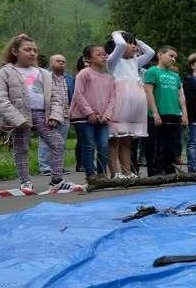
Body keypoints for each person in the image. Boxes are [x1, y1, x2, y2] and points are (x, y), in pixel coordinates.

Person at [0, 34, 78, 191]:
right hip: (21, 116)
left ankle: (57, 180)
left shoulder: (43, 73)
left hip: (42, 115)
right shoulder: (6, 72)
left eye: (35, 50)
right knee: (21, 147)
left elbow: (56, 97)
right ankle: (25, 182)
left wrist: (55, 115)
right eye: (27, 49)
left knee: (57, 142)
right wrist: (17, 118)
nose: (32, 53)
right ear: (15, 51)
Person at [106, 31, 155, 178]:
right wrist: (116, 33)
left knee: (127, 141)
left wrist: (136, 41)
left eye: (135, 44)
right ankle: (115, 173)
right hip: (119, 104)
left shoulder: (134, 61)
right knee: (114, 140)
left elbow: (150, 52)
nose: (134, 47)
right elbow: (120, 44)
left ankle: (127, 172)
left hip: (135, 106)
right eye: (130, 43)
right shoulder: (112, 61)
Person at [69, 45, 116, 179]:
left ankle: (102, 174)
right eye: (98, 54)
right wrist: (89, 113)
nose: (103, 56)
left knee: (103, 145)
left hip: (102, 118)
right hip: (84, 117)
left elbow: (112, 98)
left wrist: (107, 115)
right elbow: (78, 94)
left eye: (105, 54)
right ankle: (90, 174)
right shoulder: (84, 73)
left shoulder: (109, 77)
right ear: (88, 58)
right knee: (88, 145)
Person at [144, 46, 188, 176]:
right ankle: (155, 172)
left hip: (174, 113)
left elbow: (181, 95)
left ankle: (169, 170)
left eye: (175, 57)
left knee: (172, 144)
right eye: (171, 55)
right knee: (157, 144)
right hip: (159, 114)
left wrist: (184, 113)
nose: (173, 59)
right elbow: (149, 92)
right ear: (160, 55)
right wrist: (155, 112)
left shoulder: (175, 75)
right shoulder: (152, 71)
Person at [37, 54, 73, 175]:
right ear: (51, 63)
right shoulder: (43, 76)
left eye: (63, 61)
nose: (61, 63)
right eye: (58, 61)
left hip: (65, 115)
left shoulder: (68, 78)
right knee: (46, 141)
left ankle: (57, 167)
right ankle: (45, 167)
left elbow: (72, 95)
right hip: (49, 114)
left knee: (61, 142)